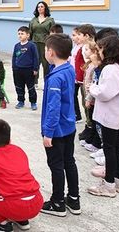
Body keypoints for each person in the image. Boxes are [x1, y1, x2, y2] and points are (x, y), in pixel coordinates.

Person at [0, 119, 43, 232]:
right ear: (10, 139)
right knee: (18, 188)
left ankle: (2, 223)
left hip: (15, 205)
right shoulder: (19, 150)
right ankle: (22, 220)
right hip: (36, 201)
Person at [40, 33, 80, 217]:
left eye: (47, 50)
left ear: (52, 52)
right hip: (69, 126)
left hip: (56, 130)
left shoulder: (56, 78)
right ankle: (73, 198)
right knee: (69, 162)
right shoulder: (68, 69)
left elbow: (53, 108)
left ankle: (58, 202)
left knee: (56, 165)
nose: (45, 53)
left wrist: (48, 133)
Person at [86, 35, 119, 198]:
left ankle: (109, 185)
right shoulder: (118, 66)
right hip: (117, 114)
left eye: (100, 49)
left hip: (110, 115)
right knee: (117, 147)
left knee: (110, 150)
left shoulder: (110, 69)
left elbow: (106, 93)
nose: (98, 52)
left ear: (109, 50)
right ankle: (118, 182)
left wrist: (93, 88)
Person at [74, 24, 99, 149]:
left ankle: (91, 128)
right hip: (83, 80)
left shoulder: (89, 49)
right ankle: (89, 127)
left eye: (79, 35)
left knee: (89, 106)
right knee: (86, 105)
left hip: (88, 84)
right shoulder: (81, 47)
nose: (77, 37)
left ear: (87, 36)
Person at [12, 26, 39, 110]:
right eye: (19, 34)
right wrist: (14, 67)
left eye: (22, 34)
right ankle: (21, 101)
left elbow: (36, 57)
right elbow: (14, 57)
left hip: (29, 70)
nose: (20, 35)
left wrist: (35, 68)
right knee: (19, 86)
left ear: (28, 35)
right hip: (18, 70)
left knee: (30, 87)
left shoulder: (32, 45)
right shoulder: (17, 46)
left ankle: (33, 102)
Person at [29, 1, 55, 86]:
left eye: (42, 6)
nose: (40, 8)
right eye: (38, 7)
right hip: (34, 43)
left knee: (46, 63)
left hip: (45, 43)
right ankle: (34, 81)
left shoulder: (50, 20)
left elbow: (53, 32)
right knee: (35, 62)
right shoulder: (33, 20)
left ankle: (46, 81)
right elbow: (30, 32)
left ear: (45, 8)